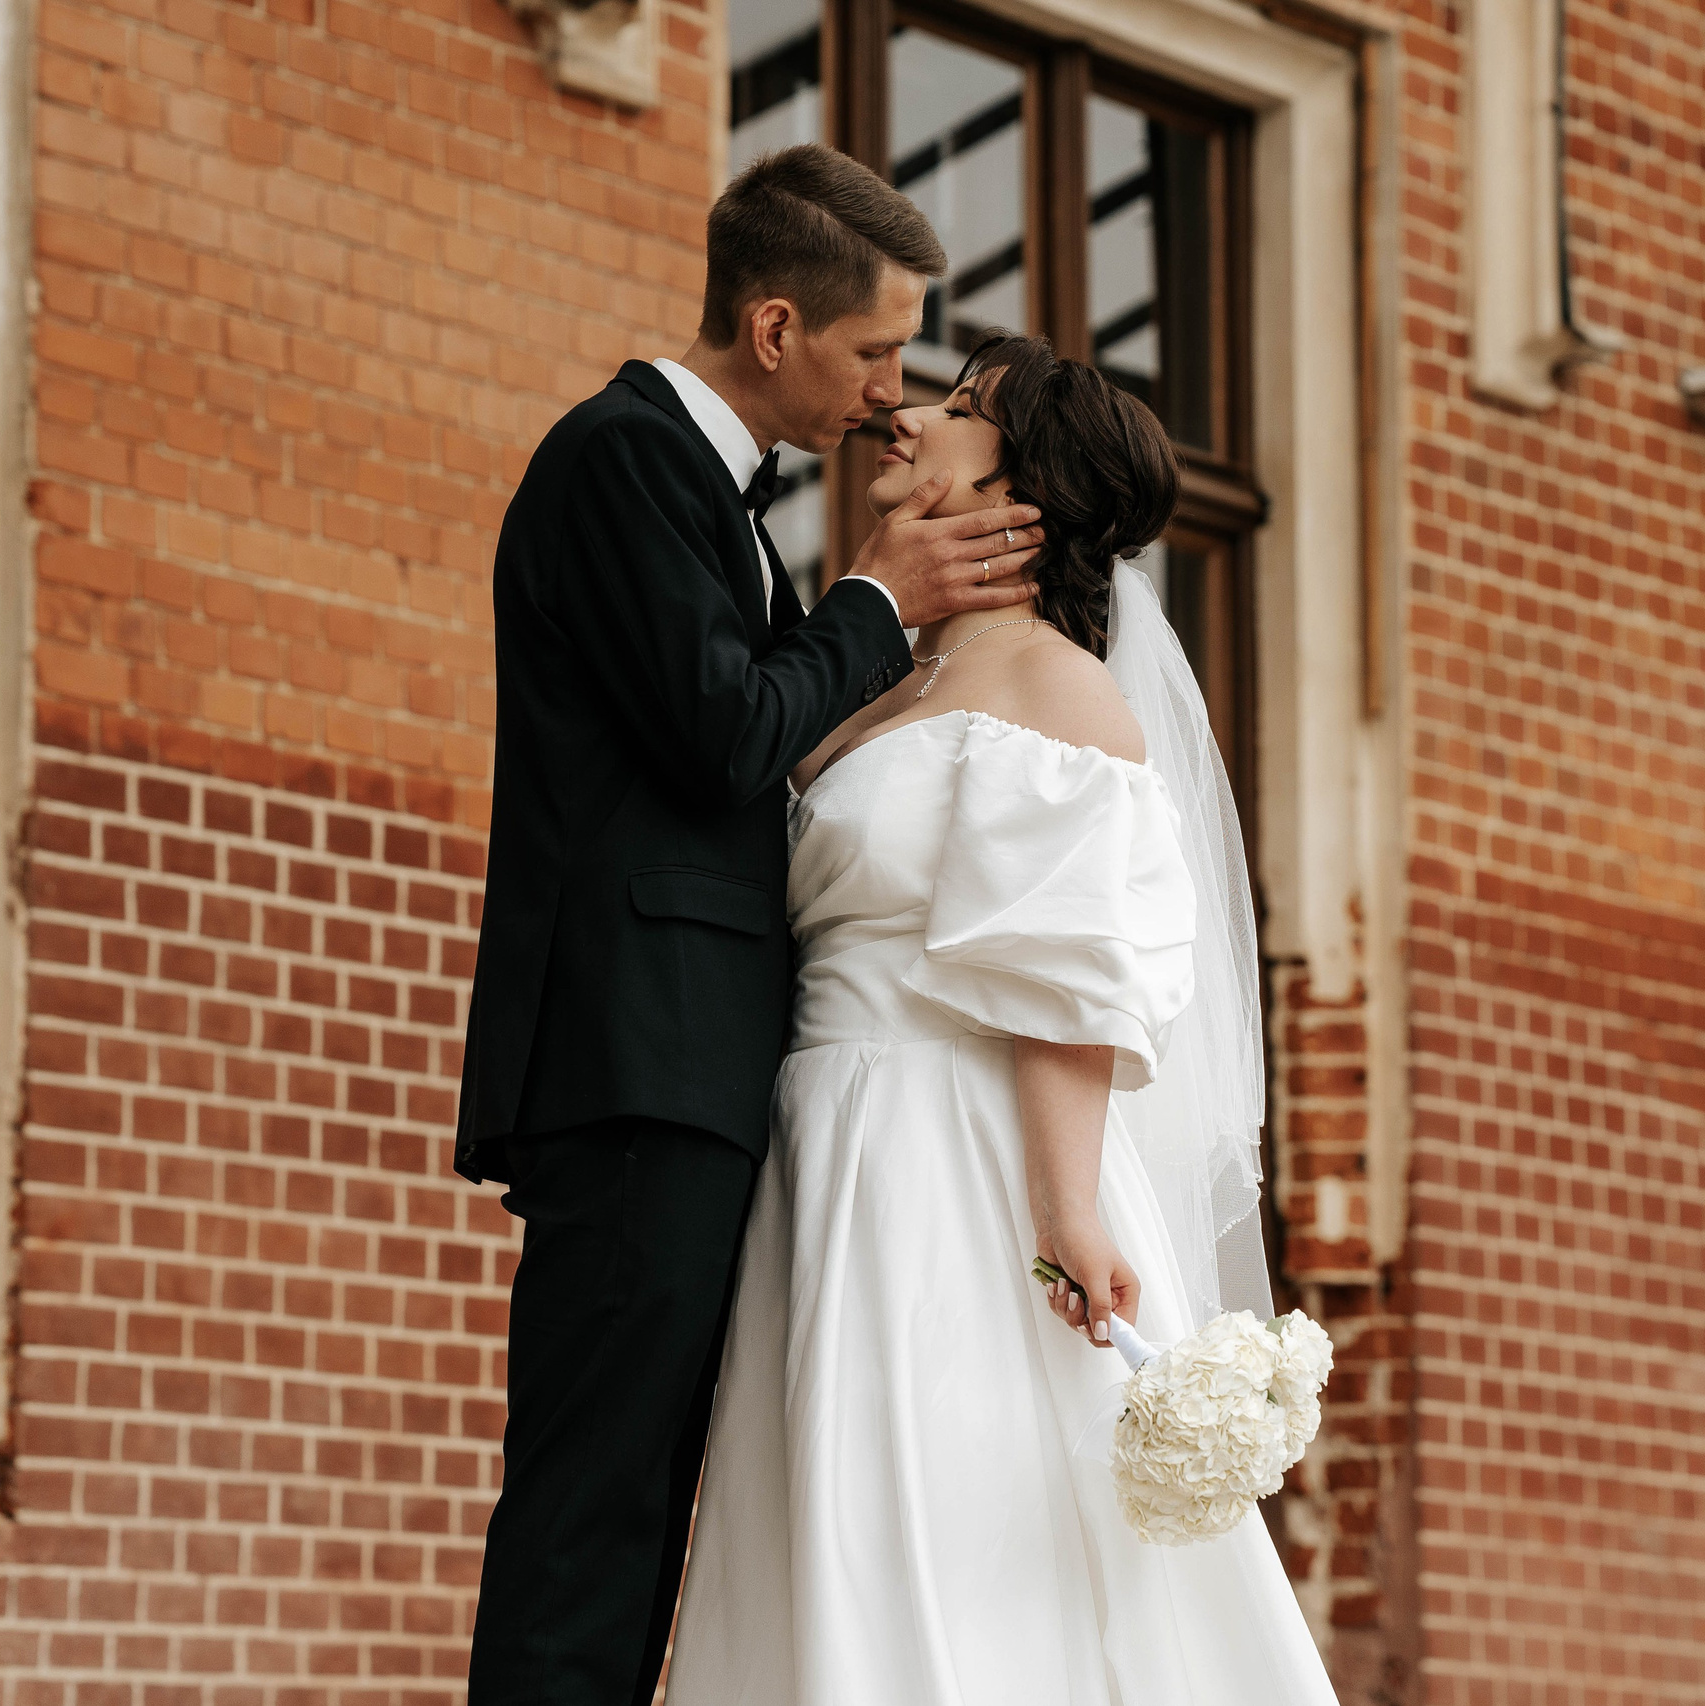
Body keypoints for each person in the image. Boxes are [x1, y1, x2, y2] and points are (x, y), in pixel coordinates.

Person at [455, 147, 1049, 1704]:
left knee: (642, 1510)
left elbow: (766, 732)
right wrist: (876, 598)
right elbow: (732, 735)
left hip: (692, 1072)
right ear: (776, 327)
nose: (887, 390)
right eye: (873, 351)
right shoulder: (622, 458)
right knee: (592, 1511)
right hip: (639, 1065)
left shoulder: (714, 497)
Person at [666, 333, 1338, 1704]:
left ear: (1027, 489)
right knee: (821, 1529)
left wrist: (1065, 1205)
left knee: (942, 1536)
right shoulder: (882, 680)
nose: (911, 416)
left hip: (945, 1165)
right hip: (819, 1152)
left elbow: (1062, 980)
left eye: (963, 409)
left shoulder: (1056, 688)